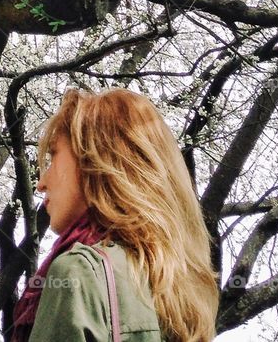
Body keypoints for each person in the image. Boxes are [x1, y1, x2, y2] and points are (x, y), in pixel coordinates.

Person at [12, 87, 218, 342]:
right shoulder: (180, 297)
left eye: (54, 155)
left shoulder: (80, 271)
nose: (42, 182)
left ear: (96, 162)